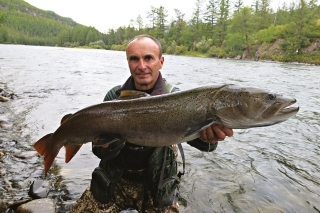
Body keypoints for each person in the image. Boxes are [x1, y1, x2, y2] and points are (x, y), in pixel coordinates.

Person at [70, 34, 233, 213]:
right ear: (128, 62)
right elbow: (100, 151)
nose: (142, 66)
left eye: (148, 58)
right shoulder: (114, 98)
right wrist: (106, 144)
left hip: (159, 183)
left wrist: (210, 140)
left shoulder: (179, 99)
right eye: (134, 59)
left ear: (161, 61)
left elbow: (198, 140)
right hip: (116, 180)